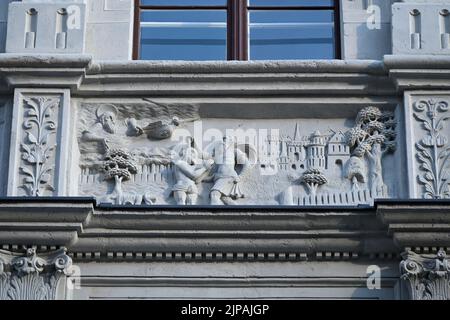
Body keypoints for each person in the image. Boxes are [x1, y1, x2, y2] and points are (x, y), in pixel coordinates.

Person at [209, 136, 250, 205]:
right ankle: (239, 211)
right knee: (225, 198)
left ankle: (215, 214)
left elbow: (247, 164)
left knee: (214, 194)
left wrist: (240, 177)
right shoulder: (218, 156)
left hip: (229, 177)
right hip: (219, 178)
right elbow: (214, 172)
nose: (224, 141)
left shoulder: (234, 152)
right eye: (223, 140)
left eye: (227, 139)